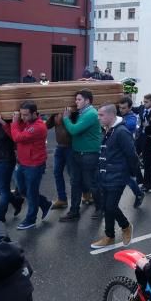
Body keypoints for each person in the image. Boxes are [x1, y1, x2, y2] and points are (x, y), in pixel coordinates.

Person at [89, 104, 138, 249]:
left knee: (110, 206)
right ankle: (109, 236)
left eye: (101, 115)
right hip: (105, 175)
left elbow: (131, 155)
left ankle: (126, 226)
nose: (98, 118)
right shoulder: (108, 130)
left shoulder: (121, 132)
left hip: (117, 176)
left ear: (111, 115)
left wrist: (132, 175)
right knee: (106, 206)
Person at [3, 101, 53, 230]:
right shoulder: (26, 123)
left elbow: (18, 138)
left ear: (34, 113)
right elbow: (14, 135)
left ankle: (31, 219)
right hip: (23, 162)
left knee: (31, 192)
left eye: (25, 115)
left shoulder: (38, 126)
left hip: (35, 165)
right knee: (23, 190)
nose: (23, 117)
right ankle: (45, 203)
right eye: (21, 115)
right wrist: (5, 124)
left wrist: (14, 122)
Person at [59, 89, 101, 222]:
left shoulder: (91, 113)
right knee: (75, 183)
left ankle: (100, 209)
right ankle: (74, 211)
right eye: (75, 99)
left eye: (79, 100)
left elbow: (74, 130)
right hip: (77, 153)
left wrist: (65, 118)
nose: (75, 102)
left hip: (89, 155)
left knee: (91, 183)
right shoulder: (81, 113)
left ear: (87, 101)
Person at [117, 96, 145, 208]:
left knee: (126, 177)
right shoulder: (120, 116)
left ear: (130, 108)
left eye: (123, 108)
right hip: (116, 150)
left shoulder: (132, 117)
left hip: (127, 152)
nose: (121, 110)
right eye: (119, 108)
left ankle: (139, 193)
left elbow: (130, 126)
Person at [45, 110, 70, 209]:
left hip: (71, 147)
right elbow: (47, 126)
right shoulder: (55, 113)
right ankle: (62, 199)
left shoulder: (71, 111)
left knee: (73, 174)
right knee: (57, 172)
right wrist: (52, 115)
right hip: (60, 146)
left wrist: (65, 117)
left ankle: (85, 193)